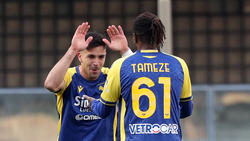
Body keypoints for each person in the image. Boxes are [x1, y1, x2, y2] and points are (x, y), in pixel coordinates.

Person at [84, 12, 193, 141]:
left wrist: (92, 104)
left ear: (135, 38)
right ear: (160, 38)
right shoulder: (179, 64)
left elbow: (103, 110)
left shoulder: (120, 66)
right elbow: (187, 110)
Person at [44, 22, 132, 141]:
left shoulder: (110, 75)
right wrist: (73, 49)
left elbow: (138, 79)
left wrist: (125, 51)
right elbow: (50, 84)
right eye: (91, 56)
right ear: (79, 56)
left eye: (101, 57)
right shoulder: (69, 76)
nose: (96, 62)